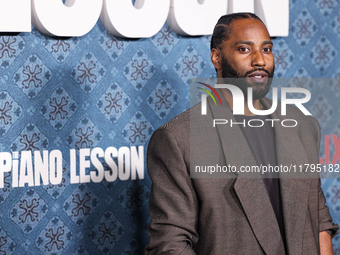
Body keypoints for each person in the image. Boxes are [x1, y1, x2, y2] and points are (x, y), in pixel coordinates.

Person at [145, 13, 338, 254]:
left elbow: (319, 220)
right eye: (244, 49)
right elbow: (170, 245)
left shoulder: (301, 125)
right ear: (217, 56)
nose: (260, 60)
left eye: (266, 49)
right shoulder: (178, 140)